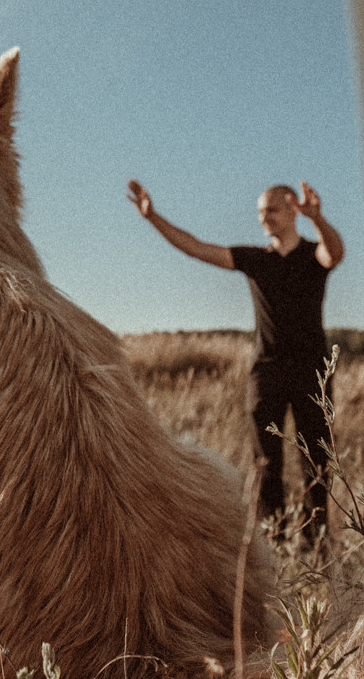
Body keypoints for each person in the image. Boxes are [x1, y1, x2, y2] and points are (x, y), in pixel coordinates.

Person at [126, 178, 345, 541]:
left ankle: (315, 548)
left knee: (317, 465)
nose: (264, 218)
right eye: (260, 212)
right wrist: (153, 217)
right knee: (266, 465)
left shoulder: (312, 255)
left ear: (293, 209)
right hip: (268, 373)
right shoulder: (256, 260)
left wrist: (318, 220)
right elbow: (196, 248)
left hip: (312, 373)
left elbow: (334, 254)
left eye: (271, 210)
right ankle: (273, 545)